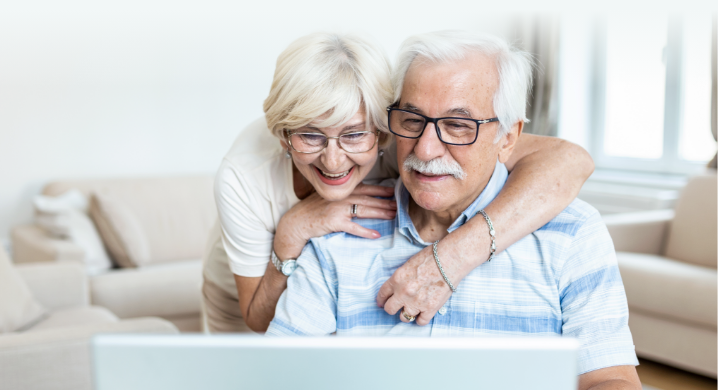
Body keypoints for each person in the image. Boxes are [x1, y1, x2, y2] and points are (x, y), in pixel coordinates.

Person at [265, 31, 641, 389]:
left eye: (458, 126)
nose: (425, 150)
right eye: (412, 121)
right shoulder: (340, 229)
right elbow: (277, 376)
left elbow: (608, 380)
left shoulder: (573, 233)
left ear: (507, 137)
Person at [202, 32, 595, 333]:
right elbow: (256, 318)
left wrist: (453, 256)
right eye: (310, 135)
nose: (333, 160)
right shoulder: (242, 175)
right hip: (251, 289)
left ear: (381, 128)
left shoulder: (410, 137)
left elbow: (570, 160)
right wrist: (292, 231)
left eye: (354, 135)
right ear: (284, 133)